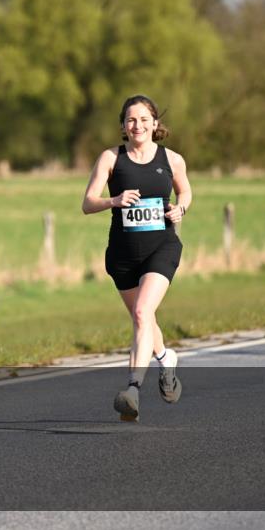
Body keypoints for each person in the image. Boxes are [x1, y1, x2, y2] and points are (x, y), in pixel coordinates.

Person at [81, 95, 192, 422]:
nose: (138, 125)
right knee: (145, 320)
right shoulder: (110, 158)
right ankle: (165, 358)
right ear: (123, 127)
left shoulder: (172, 159)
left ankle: (132, 390)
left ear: (155, 124)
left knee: (143, 312)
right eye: (131, 120)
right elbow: (87, 202)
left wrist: (180, 207)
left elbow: (185, 191)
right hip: (123, 254)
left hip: (162, 247)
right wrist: (113, 200)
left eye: (144, 119)